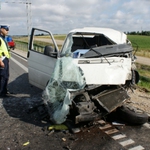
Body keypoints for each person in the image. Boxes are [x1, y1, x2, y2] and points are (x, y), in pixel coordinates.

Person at [0, 25, 11, 97]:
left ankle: (4, 91)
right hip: (1, 59)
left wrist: (8, 59)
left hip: (5, 59)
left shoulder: (3, 38)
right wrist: (0, 62)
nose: (8, 31)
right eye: (6, 29)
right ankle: (1, 93)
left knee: (6, 76)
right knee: (2, 77)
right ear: (1, 29)